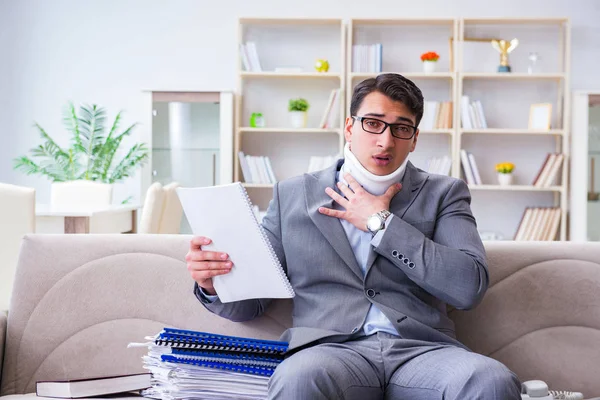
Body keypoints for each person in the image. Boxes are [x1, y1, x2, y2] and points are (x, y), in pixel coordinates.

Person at [186, 73, 522, 399]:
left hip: (423, 352)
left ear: (415, 139)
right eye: (373, 123)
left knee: (491, 380)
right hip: (329, 351)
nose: (385, 141)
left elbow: (468, 288)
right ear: (350, 127)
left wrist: (381, 223)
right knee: (297, 379)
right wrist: (214, 285)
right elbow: (253, 303)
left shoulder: (444, 192)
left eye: (401, 128)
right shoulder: (292, 194)